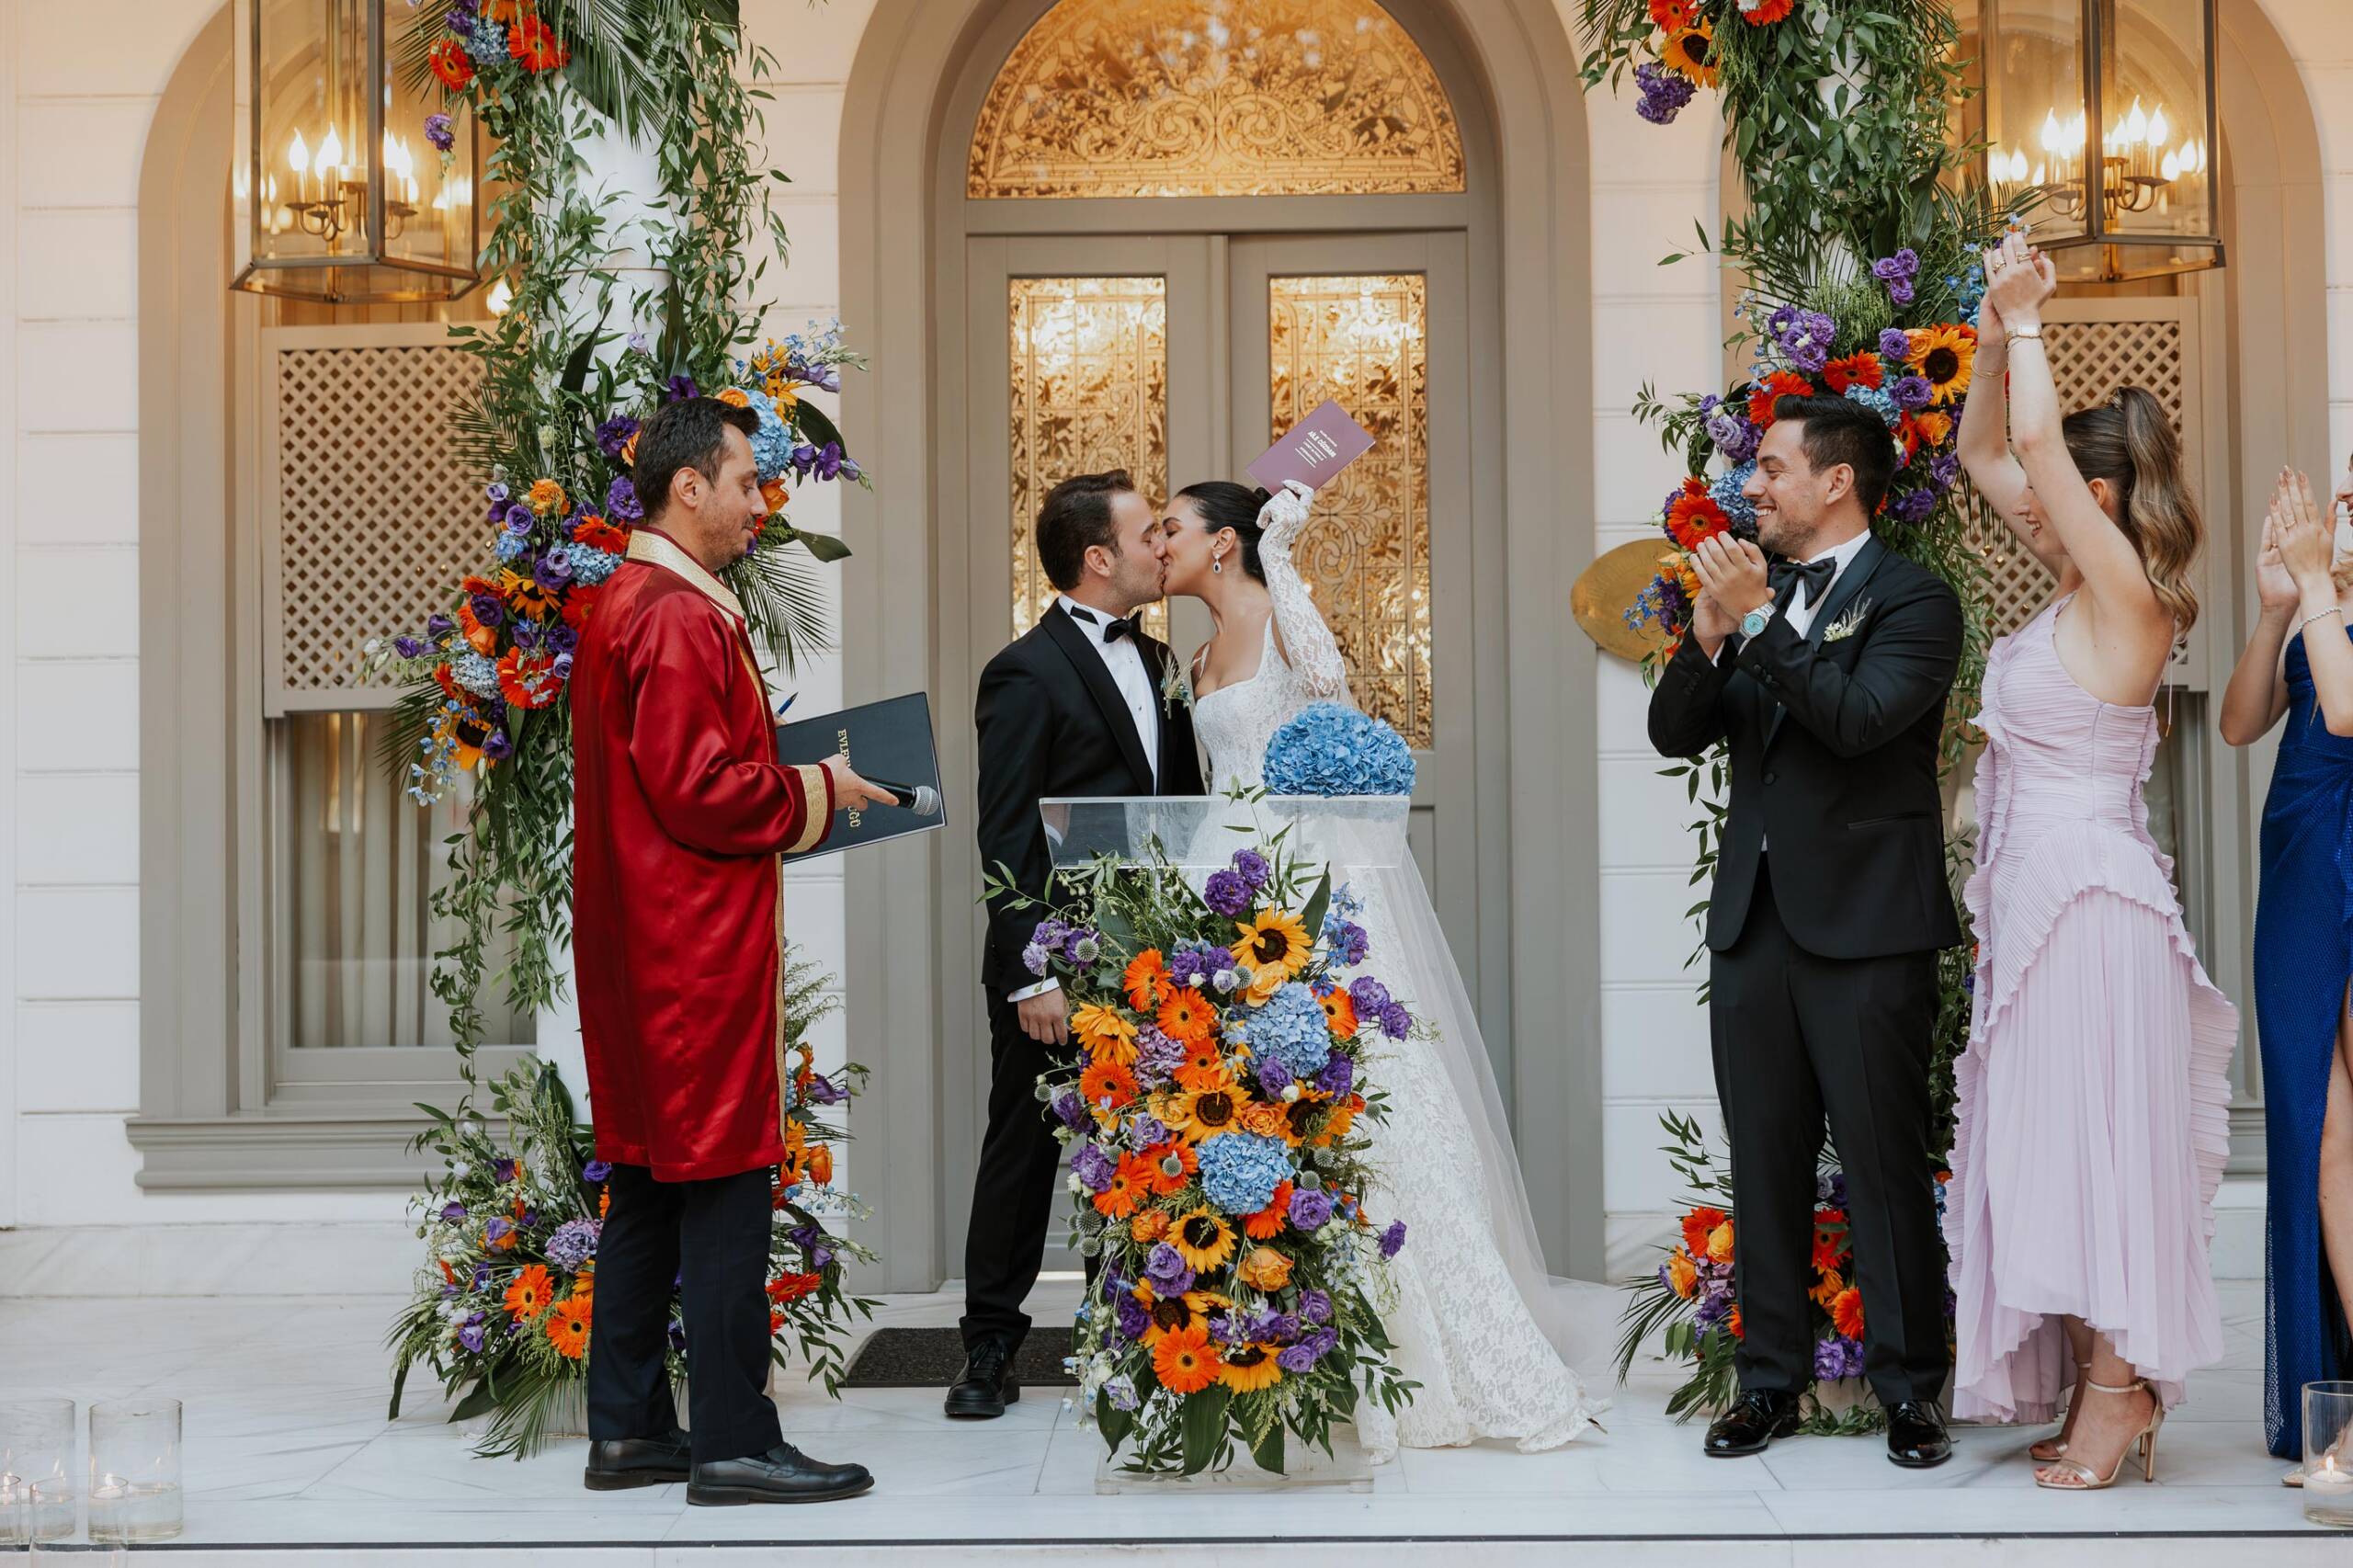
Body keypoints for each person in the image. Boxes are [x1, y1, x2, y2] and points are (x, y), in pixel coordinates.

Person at [1158, 478, 1608, 1460]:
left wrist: (1287, 557)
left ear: (1224, 542)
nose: (1158, 542)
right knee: (1254, 1110)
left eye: (1172, 527)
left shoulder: (1281, 623)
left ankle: (1430, 1353)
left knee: (1370, 1108)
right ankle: (1287, 1340)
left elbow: (1329, 688)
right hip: (1224, 890)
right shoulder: (1192, 658)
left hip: (1307, 887)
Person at [1949, 230, 2235, 1490]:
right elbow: (1983, 450)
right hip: (2034, 906)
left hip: (2092, 903)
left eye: (2057, 487)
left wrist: (2031, 322)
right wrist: (1985, 333)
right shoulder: (2071, 586)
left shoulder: (2129, 596)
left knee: (2100, 1146)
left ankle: (2121, 1393)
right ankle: (2092, 1381)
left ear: (2099, 499)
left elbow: (2033, 444)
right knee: (2047, 1144)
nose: (2030, 497)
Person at [570, 396, 895, 1506]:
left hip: (640, 941)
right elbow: (699, 789)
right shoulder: (676, 615)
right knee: (722, 1185)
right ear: (688, 486)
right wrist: (820, 787)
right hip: (691, 950)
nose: (762, 501)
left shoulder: (626, 601)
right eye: (748, 480)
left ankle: (628, 1429)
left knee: (646, 1181)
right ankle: (733, 1439)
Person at [1647, 394, 1962, 1470]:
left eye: (1772, 467)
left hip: (1869, 924)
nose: (1753, 485)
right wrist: (1708, 635)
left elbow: (1859, 720)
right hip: (1755, 922)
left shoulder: (1915, 599)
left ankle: (1910, 1390)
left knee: (1882, 1161)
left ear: (1836, 480)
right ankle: (1767, 1382)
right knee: (1764, 1159)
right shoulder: (1756, 599)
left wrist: (1760, 623)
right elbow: (1673, 733)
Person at [950, 470, 1206, 1418]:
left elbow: (1179, 811)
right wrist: (1034, 972)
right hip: (1054, 965)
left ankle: (1127, 1330)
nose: (1161, 545)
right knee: (1023, 1154)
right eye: (1146, 534)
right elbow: (1006, 832)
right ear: (1098, 557)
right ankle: (987, 1347)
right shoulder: (1022, 671)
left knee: (1140, 1146)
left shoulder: (1162, 660)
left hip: (1148, 958)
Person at [2221, 460, 2353, 1482]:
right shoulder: (2326, 595)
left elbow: (2347, 713)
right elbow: (2239, 722)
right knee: (2321, 1135)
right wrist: (2278, 607)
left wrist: (2313, 586)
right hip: (2301, 871)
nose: (2344, 504)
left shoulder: (2330, 594)